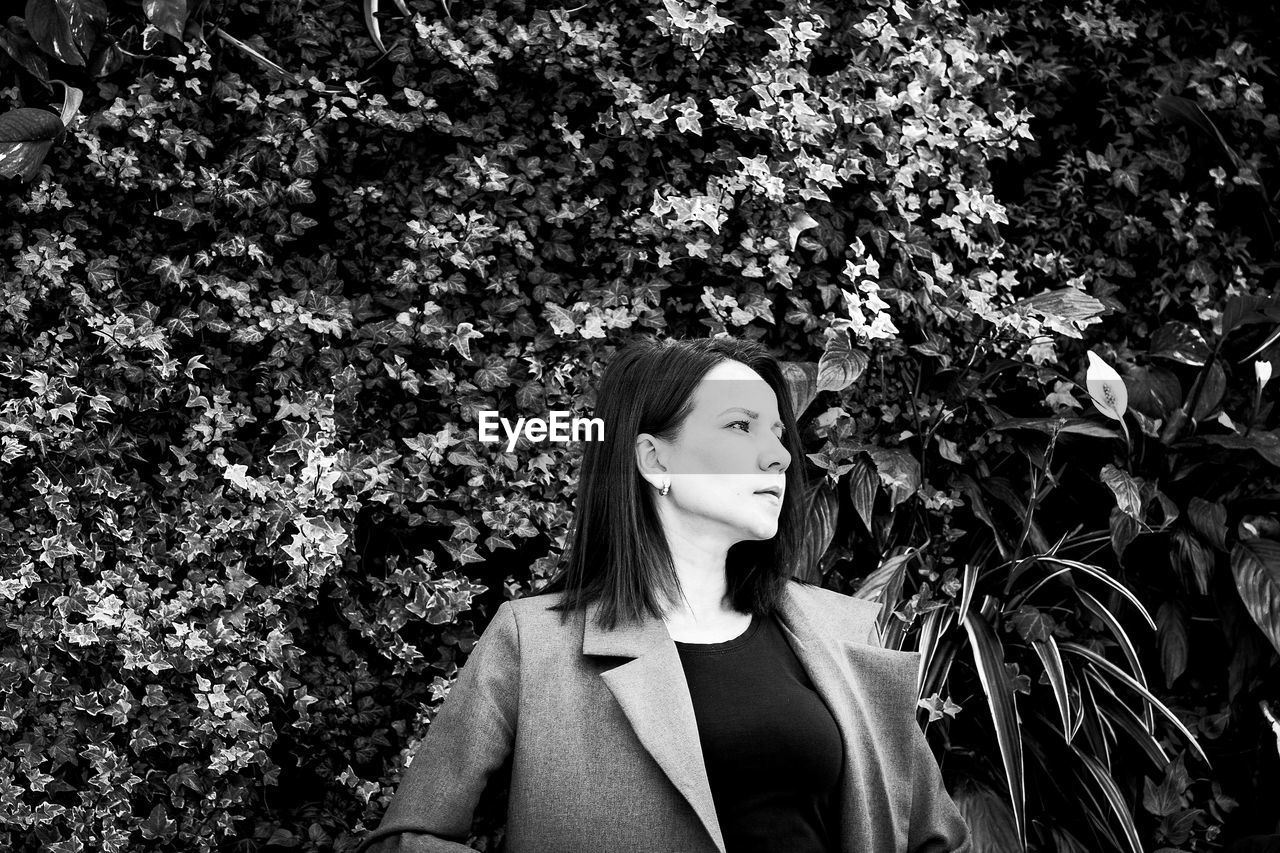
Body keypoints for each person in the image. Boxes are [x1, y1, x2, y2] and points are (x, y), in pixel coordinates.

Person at [356, 335, 971, 853]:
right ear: (654, 460)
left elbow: (935, 839)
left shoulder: (844, 633)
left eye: (780, 434)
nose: (780, 456)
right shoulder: (535, 642)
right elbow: (408, 839)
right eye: (740, 426)